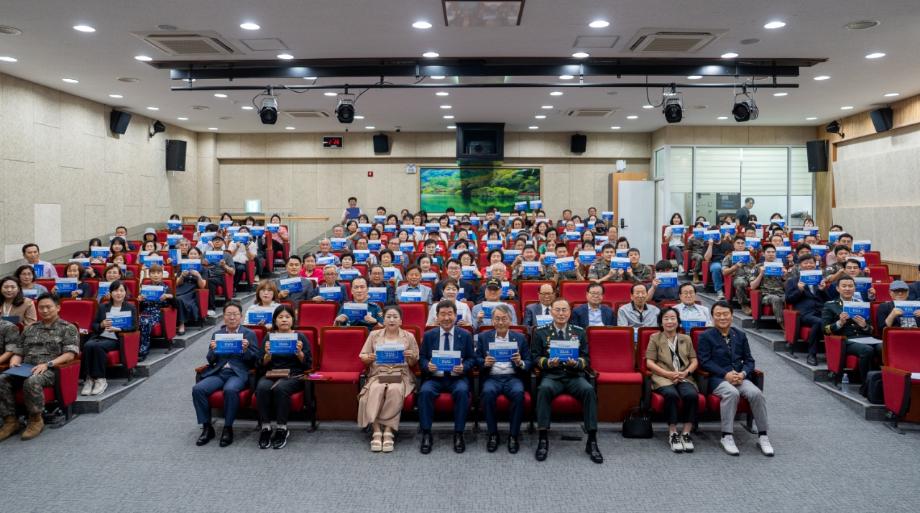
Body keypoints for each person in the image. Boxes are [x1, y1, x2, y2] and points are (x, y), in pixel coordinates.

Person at [531, 298, 603, 463]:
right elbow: (534, 357)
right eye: (557, 310)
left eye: (564, 310)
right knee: (543, 390)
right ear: (551, 312)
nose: (561, 313)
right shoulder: (541, 332)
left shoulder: (579, 332)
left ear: (570, 313)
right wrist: (547, 362)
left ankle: (592, 440)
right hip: (552, 375)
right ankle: (543, 439)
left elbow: (586, 358)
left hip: (573, 375)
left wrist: (577, 363)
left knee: (589, 390)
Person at [698, 301, 773, 457]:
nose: (722, 317)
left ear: (732, 316)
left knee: (756, 393)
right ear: (712, 317)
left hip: (740, 377)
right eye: (718, 315)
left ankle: (763, 435)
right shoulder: (706, 336)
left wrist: (743, 374)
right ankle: (727, 436)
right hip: (718, 379)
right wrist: (725, 374)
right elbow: (704, 361)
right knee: (732, 393)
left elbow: (749, 360)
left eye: (725, 314)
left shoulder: (740, 335)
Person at [0, 293, 79, 441]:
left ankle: (36, 419)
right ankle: (10, 421)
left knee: (32, 381)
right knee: (2, 379)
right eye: (41, 307)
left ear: (57, 307)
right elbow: (19, 350)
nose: (44, 310)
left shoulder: (68, 328)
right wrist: (15, 361)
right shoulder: (30, 328)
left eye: (48, 307)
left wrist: (48, 364)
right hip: (25, 367)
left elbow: (70, 354)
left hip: (51, 369)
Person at [192, 302, 261, 447]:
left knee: (230, 389)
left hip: (238, 373)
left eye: (235, 314)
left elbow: (256, 360)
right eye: (228, 314)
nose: (232, 317)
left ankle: (228, 428)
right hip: (219, 372)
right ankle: (207, 427)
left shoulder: (249, 334)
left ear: (241, 317)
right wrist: (213, 350)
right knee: (198, 389)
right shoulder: (218, 334)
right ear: (224, 317)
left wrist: (246, 349)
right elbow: (210, 360)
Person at [357, 305, 419, 453]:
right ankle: (377, 430)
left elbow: (413, 363)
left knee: (394, 390)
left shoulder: (408, 336)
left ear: (401, 321)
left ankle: (389, 431)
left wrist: (410, 356)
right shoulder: (374, 335)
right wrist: (369, 358)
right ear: (383, 320)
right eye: (388, 317)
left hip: (400, 374)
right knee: (376, 389)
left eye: (395, 317)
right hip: (379, 373)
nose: (391, 320)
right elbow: (363, 356)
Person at [418, 300, 475, 454]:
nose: (446, 318)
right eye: (442, 314)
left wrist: (464, 367)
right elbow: (422, 358)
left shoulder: (465, 335)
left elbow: (472, 359)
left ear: (456, 315)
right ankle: (426, 433)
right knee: (424, 392)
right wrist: (427, 366)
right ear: (437, 317)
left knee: (463, 392)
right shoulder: (429, 335)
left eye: (450, 314)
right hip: (435, 378)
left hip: (457, 378)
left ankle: (459, 433)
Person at [477, 304, 531, 453]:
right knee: (487, 393)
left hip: (512, 377)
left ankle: (513, 435)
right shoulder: (483, 337)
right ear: (492, 321)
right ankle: (493, 434)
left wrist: (520, 362)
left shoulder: (520, 338)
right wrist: (484, 362)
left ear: (510, 320)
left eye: (504, 319)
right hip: (492, 377)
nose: (500, 322)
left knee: (519, 393)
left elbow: (529, 361)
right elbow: (476, 359)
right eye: (497, 319)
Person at [256, 305, 311, 450]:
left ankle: (282, 428)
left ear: (293, 320)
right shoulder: (269, 337)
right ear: (275, 320)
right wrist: (267, 356)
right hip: (272, 373)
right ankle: (266, 428)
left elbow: (308, 365)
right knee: (261, 387)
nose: (284, 320)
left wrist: (299, 354)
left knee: (281, 388)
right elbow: (260, 364)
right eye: (280, 317)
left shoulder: (300, 337)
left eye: (287, 317)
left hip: (294, 375)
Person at [645, 307, 698, 453]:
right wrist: (668, 374)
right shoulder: (655, 338)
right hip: (663, 376)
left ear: (678, 321)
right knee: (671, 395)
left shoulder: (686, 339)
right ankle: (673, 433)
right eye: (666, 318)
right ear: (661, 322)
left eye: (673, 318)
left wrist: (686, 372)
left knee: (691, 395)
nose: (669, 321)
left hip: (684, 376)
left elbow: (694, 361)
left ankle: (686, 433)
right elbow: (649, 362)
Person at [81, 280, 138, 396]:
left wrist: (120, 330)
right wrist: (101, 325)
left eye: (121, 291)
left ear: (125, 293)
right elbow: (94, 325)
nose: (119, 293)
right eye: (116, 290)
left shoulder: (130, 308)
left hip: (117, 338)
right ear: (111, 293)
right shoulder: (103, 307)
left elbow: (134, 327)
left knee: (97, 346)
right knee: (87, 345)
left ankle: (100, 379)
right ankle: (89, 379)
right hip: (102, 335)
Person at [822, 276, 879, 387]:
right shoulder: (830, 305)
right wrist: (839, 323)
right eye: (844, 286)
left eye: (850, 286)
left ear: (854, 288)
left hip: (864, 337)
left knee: (883, 347)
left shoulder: (861, 304)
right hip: (845, 340)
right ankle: (867, 385)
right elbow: (825, 329)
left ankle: (883, 383)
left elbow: (870, 329)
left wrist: (864, 326)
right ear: (838, 289)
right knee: (867, 350)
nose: (847, 289)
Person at [784, 255, 831, 366]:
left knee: (821, 322)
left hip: (821, 311)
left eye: (811, 263)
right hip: (805, 313)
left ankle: (831, 355)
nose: (809, 265)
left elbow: (828, 300)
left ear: (815, 265)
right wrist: (799, 290)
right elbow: (788, 300)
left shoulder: (820, 280)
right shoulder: (793, 281)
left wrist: (823, 290)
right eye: (805, 263)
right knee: (819, 322)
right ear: (800, 266)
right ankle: (812, 354)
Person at [137, 265, 176, 360]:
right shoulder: (145, 288)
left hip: (158, 313)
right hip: (145, 312)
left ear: (162, 275)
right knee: (136, 321)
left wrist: (169, 296)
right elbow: (141, 307)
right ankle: (132, 349)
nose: (155, 275)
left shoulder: (166, 288)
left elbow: (175, 305)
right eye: (153, 273)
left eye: (158, 273)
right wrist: (139, 300)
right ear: (149, 275)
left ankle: (143, 350)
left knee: (145, 322)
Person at [749, 244, 787, 328]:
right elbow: (752, 286)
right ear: (763, 254)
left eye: (773, 252)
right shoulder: (757, 267)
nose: (771, 254)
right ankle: (783, 325)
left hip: (781, 293)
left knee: (791, 297)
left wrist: (785, 276)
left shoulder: (780, 266)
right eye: (768, 252)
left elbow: (787, 286)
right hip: (766, 295)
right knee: (775, 299)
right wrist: (761, 273)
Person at [175, 246, 208, 335]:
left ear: (199, 256)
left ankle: (182, 324)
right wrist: (182, 276)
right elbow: (177, 283)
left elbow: (202, 286)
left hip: (192, 291)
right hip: (180, 288)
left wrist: (198, 276)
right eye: (191, 254)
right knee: (173, 298)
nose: (193, 256)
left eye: (195, 254)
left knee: (180, 300)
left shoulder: (203, 269)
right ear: (188, 255)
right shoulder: (183, 266)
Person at [721, 236, 757, 315]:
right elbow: (724, 272)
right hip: (738, 277)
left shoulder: (750, 257)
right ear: (734, 245)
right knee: (740, 283)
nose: (740, 245)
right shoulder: (729, 257)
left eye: (742, 243)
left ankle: (758, 306)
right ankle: (744, 305)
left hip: (750, 276)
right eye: (738, 243)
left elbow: (755, 269)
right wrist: (735, 267)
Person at [202, 235, 235, 315]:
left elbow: (233, 272)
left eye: (219, 240)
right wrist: (203, 263)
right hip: (207, 275)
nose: (217, 241)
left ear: (223, 242)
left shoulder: (227, 255)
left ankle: (211, 308)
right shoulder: (206, 254)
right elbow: (199, 267)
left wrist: (224, 265)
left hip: (221, 277)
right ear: (212, 243)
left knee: (209, 281)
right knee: (206, 279)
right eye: (215, 240)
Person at [704, 230, 734, 299]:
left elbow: (733, 254)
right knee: (716, 268)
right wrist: (710, 245)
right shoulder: (707, 244)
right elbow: (707, 259)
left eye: (717, 234)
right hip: (716, 262)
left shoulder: (727, 244)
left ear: (720, 234)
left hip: (728, 262)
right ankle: (719, 291)